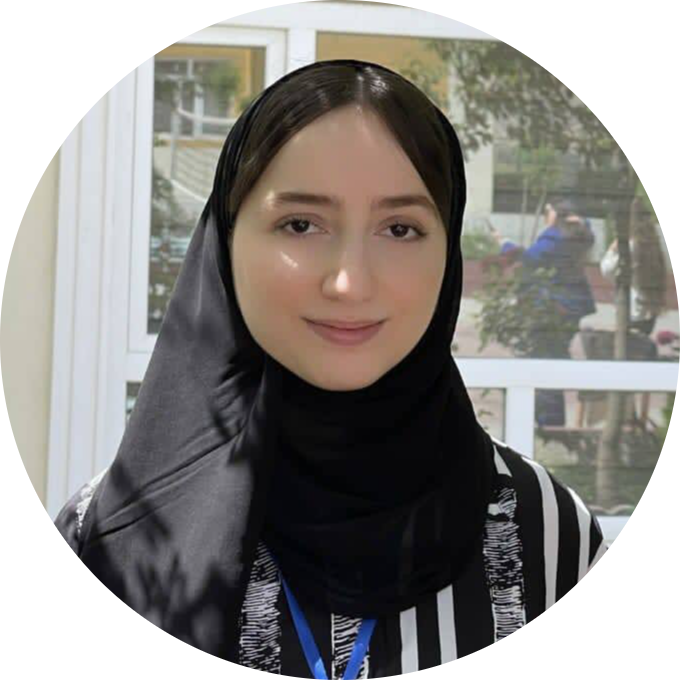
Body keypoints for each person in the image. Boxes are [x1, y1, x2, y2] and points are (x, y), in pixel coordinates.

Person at [53, 59, 607, 671]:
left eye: (400, 229)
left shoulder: (549, 534)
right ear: (227, 238)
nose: (349, 282)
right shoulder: (107, 535)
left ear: (447, 251)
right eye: (300, 224)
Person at [492, 200, 596, 426]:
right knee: (554, 356)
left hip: (554, 307)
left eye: (548, 212)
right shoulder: (579, 233)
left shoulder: (555, 235)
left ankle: (548, 419)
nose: (546, 217)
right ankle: (552, 418)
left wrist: (504, 243)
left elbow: (529, 258)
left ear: (557, 214)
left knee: (545, 358)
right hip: (572, 305)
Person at [599, 202, 667, 427]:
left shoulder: (629, 246)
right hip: (647, 312)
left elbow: (607, 269)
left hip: (630, 312)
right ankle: (631, 412)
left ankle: (625, 415)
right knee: (632, 359)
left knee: (622, 361)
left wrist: (613, 248)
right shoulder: (653, 244)